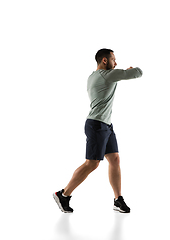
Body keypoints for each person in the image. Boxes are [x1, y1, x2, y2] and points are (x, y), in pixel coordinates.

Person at [53, 48, 143, 213]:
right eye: (113, 60)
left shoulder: (93, 76)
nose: (116, 63)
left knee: (114, 160)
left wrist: (122, 73)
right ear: (104, 60)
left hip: (105, 124)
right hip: (97, 125)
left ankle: (118, 199)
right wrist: (128, 71)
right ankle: (63, 194)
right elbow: (138, 72)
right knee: (92, 164)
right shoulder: (107, 75)